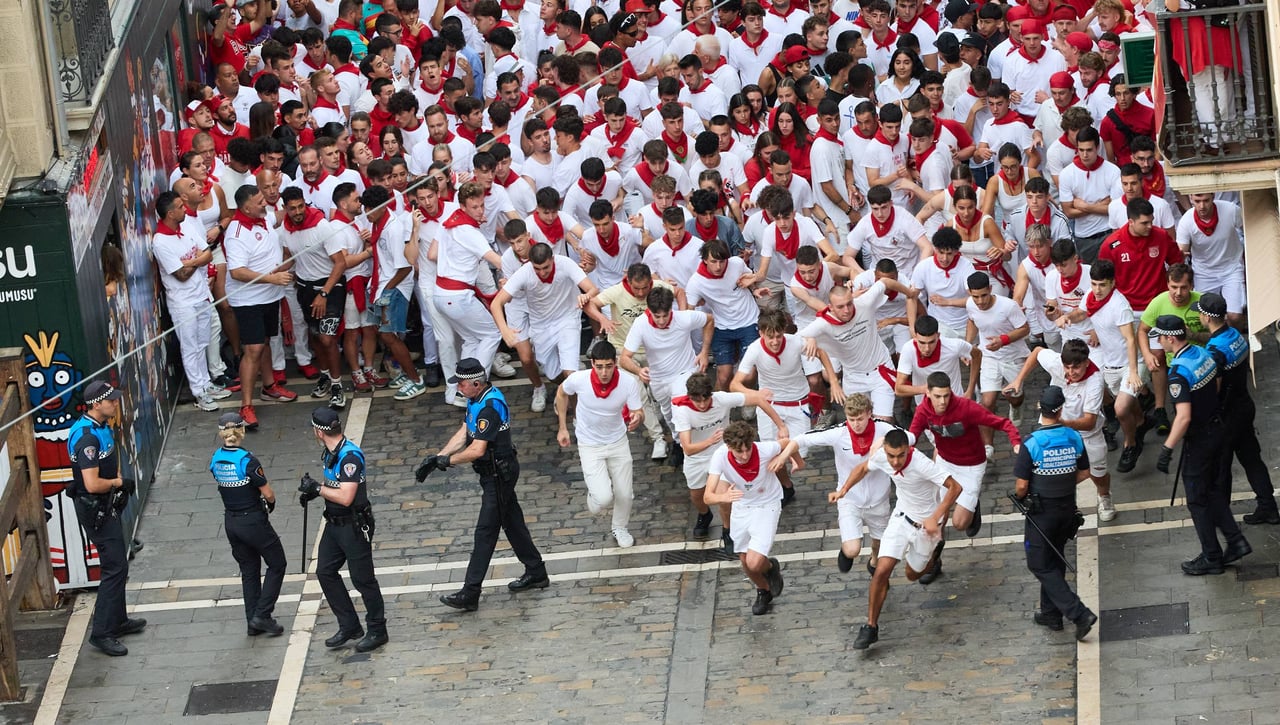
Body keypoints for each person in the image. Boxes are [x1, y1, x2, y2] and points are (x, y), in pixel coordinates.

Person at [427, 358, 550, 611]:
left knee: (485, 534)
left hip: (498, 475)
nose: (458, 388)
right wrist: (438, 457)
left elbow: (476, 449)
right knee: (513, 523)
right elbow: (464, 431)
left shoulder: (489, 408)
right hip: (492, 474)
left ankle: (470, 592)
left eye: (460, 384)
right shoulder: (476, 399)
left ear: (475, 383)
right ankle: (537, 571)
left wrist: (447, 461)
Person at [837, 428, 962, 650]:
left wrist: (935, 517)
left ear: (909, 450)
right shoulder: (882, 457)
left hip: (926, 526)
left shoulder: (922, 464)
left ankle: (934, 554)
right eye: (891, 456)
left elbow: (955, 487)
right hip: (901, 518)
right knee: (882, 570)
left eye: (900, 455)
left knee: (912, 574)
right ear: (885, 451)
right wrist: (844, 490)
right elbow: (863, 468)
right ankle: (870, 627)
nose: (895, 461)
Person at [1150, 316, 1250, 575]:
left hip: (1200, 440)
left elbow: (1183, 417)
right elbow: (1216, 383)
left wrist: (1167, 449)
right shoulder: (1203, 354)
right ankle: (1236, 541)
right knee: (1214, 491)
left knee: (1197, 499)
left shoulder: (1179, 373)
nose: (1159, 341)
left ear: (1170, 338)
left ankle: (1211, 556)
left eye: (1160, 336)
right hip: (1218, 429)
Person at [1013, 385, 1098, 641]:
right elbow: (1085, 471)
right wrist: (1061, 480)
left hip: (1042, 512)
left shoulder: (1032, 443)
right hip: (1066, 509)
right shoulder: (1073, 437)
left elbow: (1021, 486)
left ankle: (1078, 613)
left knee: (1039, 563)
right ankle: (1051, 613)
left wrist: (1023, 497)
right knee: (1055, 556)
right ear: (1061, 408)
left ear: (1040, 406)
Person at [782, 394, 900, 575]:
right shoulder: (839, 433)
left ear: (869, 413)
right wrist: (784, 457)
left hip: (879, 500)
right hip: (849, 499)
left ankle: (873, 561)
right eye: (852, 419)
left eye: (860, 419)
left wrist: (885, 441)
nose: (856, 424)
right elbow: (802, 439)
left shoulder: (883, 429)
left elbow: (909, 437)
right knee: (853, 549)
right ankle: (846, 551)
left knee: (879, 545)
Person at [300, 407, 387, 651]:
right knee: (325, 571)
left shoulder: (349, 457)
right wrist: (314, 493)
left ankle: (378, 629)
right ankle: (349, 624)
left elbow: (347, 496)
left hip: (353, 525)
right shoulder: (330, 452)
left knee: (363, 579)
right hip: (335, 523)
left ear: (319, 431)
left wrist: (317, 489)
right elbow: (333, 486)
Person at [68, 381, 145, 656]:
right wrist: (118, 483)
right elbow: (90, 483)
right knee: (115, 568)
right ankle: (101, 633)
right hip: (94, 506)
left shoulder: (102, 427)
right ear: (96, 404)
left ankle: (118, 620)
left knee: (119, 563)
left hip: (105, 504)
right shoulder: (87, 437)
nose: (115, 403)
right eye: (110, 400)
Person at [1006, 339, 1116, 523]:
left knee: (1098, 471)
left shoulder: (1095, 380)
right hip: (1055, 429)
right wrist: (1018, 380)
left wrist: (1062, 423)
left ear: (1086, 363)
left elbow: (1089, 422)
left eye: (1076, 368)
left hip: (1085, 434)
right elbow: (1037, 351)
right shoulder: (1056, 361)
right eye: (1067, 367)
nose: (1071, 373)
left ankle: (1104, 496)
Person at [909, 371, 1022, 549]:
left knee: (960, 523)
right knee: (939, 516)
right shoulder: (923, 411)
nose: (942, 402)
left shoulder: (966, 408)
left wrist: (1016, 441)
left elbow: (1002, 423)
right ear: (928, 393)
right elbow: (911, 437)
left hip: (972, 466)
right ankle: (934, 556)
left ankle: (973, 506)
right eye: (937, 396)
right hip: (945, 462)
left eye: (946, 396)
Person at [1198, 293, 1279, 526]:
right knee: (1252, 459)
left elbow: (1214, 387)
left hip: (1227, 416)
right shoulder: (1236, 335)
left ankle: (1222, 520)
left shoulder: (1215, 350)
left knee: (1222, 468)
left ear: (1206, 316)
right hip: (1244, 406)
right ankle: (1268, 506)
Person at [556, 341, 645, 548]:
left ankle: (620, 527)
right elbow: (561, 393)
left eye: (608, 366)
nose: (604, 372)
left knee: (625, 492)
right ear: (592, 364)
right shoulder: (579, 379)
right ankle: (596, 493)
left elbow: (638, 411)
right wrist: (562, 426)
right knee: (603, 499)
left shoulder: (628, 382)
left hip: (617, 441)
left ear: (615, 363)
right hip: (589, 444)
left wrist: (637, 418)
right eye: (599, 366)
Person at [702, 421, 795, 615]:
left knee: (754, 562)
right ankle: (763, 590)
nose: (745, 455)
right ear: (729, 448)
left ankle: (769, 567)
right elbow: (707, 496)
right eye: (739, 452)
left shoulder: (764, 449)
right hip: (742, 506)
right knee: (745, 560)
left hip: (767, 504)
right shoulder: (719, 456)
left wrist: (794, 461)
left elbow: (789, 443)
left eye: (747, 450)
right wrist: (723, 497)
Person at [209, 411, 286, 636]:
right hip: (252, 519)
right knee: (277, 563)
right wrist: (271, 502)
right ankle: (262, 615)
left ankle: (252, 620)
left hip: (231, 521)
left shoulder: (216, 458)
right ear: (241, 431)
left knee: (249, 570)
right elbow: (267, 492)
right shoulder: (247, 460)